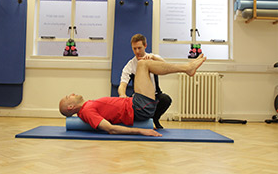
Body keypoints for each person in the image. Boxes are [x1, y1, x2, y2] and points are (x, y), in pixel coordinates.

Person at [59, 54, 206, 137]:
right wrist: (141, 131)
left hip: (136, 103)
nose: (71, 94)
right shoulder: (87, 112)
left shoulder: (86, 107)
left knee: (144, 64)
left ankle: (187, 68)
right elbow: (111, 128)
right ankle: (187, 68)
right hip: (139, 108)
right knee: (143, 64)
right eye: (68, 97)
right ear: (71, 106)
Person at [118, 33, 171, 129]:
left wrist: (153, 58)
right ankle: (144, 120)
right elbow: (122, 84)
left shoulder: (153, 58)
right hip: (140, 98)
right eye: (134, 49)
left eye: (139, 48)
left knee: (166, 99)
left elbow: (167, 67)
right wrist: (122, 95)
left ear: (145, 46)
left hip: (155, 95)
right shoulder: (130, 65)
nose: (137, 51)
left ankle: (155, 118)